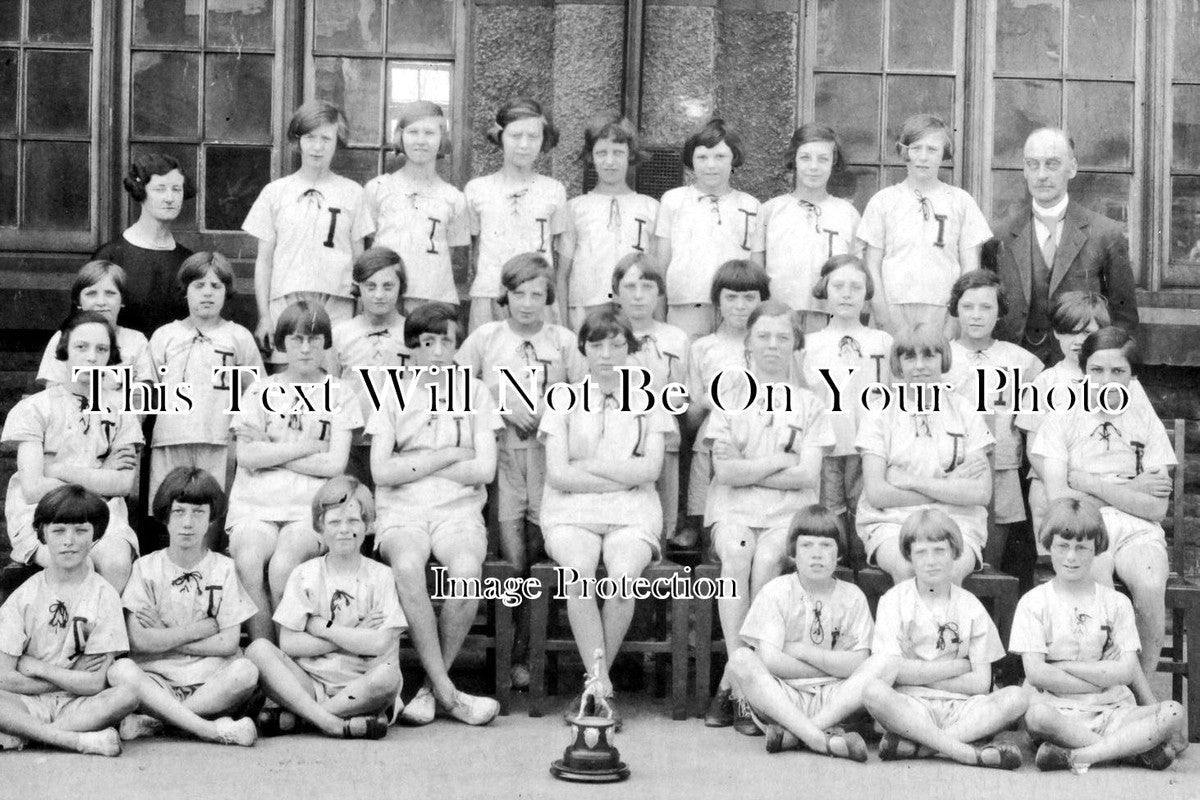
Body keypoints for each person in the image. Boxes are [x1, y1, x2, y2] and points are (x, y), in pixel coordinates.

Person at [368, 302, 502, 726]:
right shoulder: (391, 391)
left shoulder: (476, 392)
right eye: (430, 342)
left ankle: (430, 686)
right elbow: (381, 472)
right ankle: (449, 691)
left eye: (448, 341)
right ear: (413, 347)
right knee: (407, 566)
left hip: (458, 511)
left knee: (465, 573)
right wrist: (446, 454)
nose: (440, 351)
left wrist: (416, 461)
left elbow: (485, 469)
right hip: (403, 511)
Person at [703, 300, 835, 733]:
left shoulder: (810, 403)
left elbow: (808, 476)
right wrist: (779, 459)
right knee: (739, 555)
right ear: (749, 343)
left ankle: (735, 684)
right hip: (733, 513)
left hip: (786, 517)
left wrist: (751, 469)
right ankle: (744, 687)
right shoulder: (730, 398)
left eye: (782, 337)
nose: (773, 345)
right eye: (764, 336)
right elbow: (724, 472)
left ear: (795, 345)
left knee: (767, 560)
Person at [539, 309, 674, 728]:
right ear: (583, 349)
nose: (607, 353)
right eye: (597, 344)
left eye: (617, 344)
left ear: (630, 348)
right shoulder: (562, 397)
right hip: (569, 512)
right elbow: (557, 474)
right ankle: (600, 687)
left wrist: (590, 468)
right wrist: (619, 473)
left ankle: (594, 687)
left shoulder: (649, 395)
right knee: (578, 574)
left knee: (622, 578)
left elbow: (651, 470)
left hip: (632, 514)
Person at [456, 252, 580, 688]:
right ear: (505, 296)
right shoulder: (486, 338)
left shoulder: (563, 340)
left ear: (548, 297)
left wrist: (548, 411)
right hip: (503, 457)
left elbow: (585, 395)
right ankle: (505, 657)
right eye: (518, 293)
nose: (527, 303)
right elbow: (458, 389)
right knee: (513, 559)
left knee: (542, 554)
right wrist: (505, 408)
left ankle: (533, 655)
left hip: (549, 458)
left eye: (537, 294)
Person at [1029, 326, 1173, 699]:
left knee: (1149, 584)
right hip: (1084, 528)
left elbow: (1156, 505)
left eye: (1118, 372)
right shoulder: (1064, 417)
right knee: (1099, 583)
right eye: (1097, 370)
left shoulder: (1144, 419)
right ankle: (1107, 693)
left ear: (1133, 376)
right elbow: (1062, 501)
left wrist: (1091, 483)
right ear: (1084, 371)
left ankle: (1135, 688)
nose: (1107, 380)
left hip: (1139, 528)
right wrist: (1130, 489)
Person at [1012, 498, 1187, 772]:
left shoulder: (1116, 603)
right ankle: (1128, 751)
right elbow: (1036, 674)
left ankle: (1079, 755)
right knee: (1036, 716)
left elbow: (1127, 670)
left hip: (1113, 710)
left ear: (1097, 550)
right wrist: (1101, 673)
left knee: (1174, 712)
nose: (1071, 557)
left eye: (1081, 548)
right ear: (1049, 546)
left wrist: (1063, 666)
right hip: (1058, 710)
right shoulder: (1033, 603)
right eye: (1063, 546)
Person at [226, 302, 361, 641]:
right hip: (255, 505)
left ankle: (290, 658)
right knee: (247, 560)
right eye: (296, 339)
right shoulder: (260, 390)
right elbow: (245, 455)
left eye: (314, 339)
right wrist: (309, 446)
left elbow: (334, 465)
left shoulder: (341, 393)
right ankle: (266, 653)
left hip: (308, 508)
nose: (305, 348)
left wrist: (270, 451)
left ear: (326, 343)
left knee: (284, 565)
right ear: (282, 343)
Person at [859, 509, 1028, 769]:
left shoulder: (971, 606)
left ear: (954, 554)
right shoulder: (893, 601)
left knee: (1016, 697)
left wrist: (918, 672)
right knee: (873, 692)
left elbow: (981, 683)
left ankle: (926, 747)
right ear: (909, 557)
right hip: (911, 705)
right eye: (921, 553)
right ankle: (965, 752)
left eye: (939, 551)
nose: (931, 561)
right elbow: (892, 674)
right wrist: (957, 667)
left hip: (962, 709)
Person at [245, 476, 403, 739]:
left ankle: (307, 718)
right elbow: (289, 644)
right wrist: (353, 633)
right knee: (257, 650)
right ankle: (333, 720)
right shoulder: (304, 574)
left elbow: (379, 645)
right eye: (334, 522)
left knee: (389, 676)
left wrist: (323, 627)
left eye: (353, 521)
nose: (344, 529)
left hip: (362, 683)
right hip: (310, 682)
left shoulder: (381, 576)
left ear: (367, 526)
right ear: (319, 527)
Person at [112, 468, 259, 746]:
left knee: (247, 671)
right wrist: (200, 629)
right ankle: (206, 728)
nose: (188, 523)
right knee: (120, 672)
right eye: (179, 513)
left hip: (210, 678)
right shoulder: (145, 568)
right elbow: (139, 641)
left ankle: (160, 722)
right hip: (157, 678)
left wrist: (165, 635)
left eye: (198, 513)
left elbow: (227, 643)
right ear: (165, 517)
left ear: (211, 519)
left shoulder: (224, 569)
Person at [4, 310, 142, 591]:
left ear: (110, 356)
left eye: (101, 349)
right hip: (42, 515)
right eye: (82, 347)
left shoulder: (122, 413)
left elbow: (124, 483)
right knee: (76, 562)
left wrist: (58, 470)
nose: (91, 357)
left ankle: (100, 633)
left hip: (103, 516)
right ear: (65, 350)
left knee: (116, 561)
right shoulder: (35, 408)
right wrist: (101, 474)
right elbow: (32, 489)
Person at [0, 485, 139, 756]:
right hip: (26, 701)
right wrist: (72, 675)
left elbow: (94, 683)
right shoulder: (25, 596)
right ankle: (73, 740)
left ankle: (30, 734)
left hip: (79, 704)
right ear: (43, 534)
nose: (69, 540)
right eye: (59, 530)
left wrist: (38, 668)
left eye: (81, 530)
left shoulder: (104, 595)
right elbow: (4, 677)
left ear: (95, 535)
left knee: (127, 694)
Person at [729, 505, 875, 760]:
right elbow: (772, 662)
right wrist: (834, 665)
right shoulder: (776, 591)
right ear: (793, 553)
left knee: (884, 664)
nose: (817, 554)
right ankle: (820, 739)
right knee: (741, 659)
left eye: (826, 546)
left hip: (835, 698)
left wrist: (803, 651)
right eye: (807, 546)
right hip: (784, 696)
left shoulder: (853, 597)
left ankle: (797, 734)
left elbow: (860, 662)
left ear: (839, 553)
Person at [855, 324, 994, 585]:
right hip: (892, 522)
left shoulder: (964, 410)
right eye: (910, 357)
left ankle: (947, 627)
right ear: (898, 363)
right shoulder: (879, 412)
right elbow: (877, 493)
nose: (919, 365)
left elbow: (980, 493)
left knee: (946, 571)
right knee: (909, 569)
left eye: (929, 355)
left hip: (957, 522)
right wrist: (949, 487)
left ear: (943, 359)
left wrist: (912, 480)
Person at [992, 127, 1139, 365]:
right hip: (1015, 369)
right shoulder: (1000, 234)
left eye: (1052, 164)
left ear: (1072, 168)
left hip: (1080, 370)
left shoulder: (1105, 233)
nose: (1041, 175)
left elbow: (1124, 317)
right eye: (1033, 164)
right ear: (1024, 169)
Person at [243, 100, 374, 364]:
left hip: (337, 302)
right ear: (297, 141)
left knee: (330, 381)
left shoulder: (353, 192)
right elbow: (264, 261)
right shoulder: (275, 192)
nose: (317, 146)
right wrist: (265, 315)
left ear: (338, 142)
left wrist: (362, 312)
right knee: (287, 380)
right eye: (310, 137)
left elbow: (361, 262)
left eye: (326, 138)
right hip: (287, 299)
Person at [943, 269, 1042, 569]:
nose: (976, 315)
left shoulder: (1021, 361)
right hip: (951, 468)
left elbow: (1039, 417)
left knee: (990, 565)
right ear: (955, 309)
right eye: (968, 307)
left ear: (1000, 313)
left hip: (1001, 469)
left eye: (986, 307)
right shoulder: (941, 357)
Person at [858, 114, 992, 335]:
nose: (923, 157)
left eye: (932, 149)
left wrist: (954, 321)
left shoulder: (960, 201)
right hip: (892, 308)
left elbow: (970, 268)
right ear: (905, 151)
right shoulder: (884, 200)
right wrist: (883, 316)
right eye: (916, 148)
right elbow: (872, 264)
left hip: (943, 308)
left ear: (944, 154)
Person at [147, 252, 263, 504]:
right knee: (170, 507)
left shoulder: (238, 337)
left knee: (213, 508)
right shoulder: (165, 336)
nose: (207, 293)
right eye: (199, 285)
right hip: (171, 437)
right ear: (185, 291)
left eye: (215, 286)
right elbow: (145, 392)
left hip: (219, 439)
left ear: (226, 291)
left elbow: (257, 393)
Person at [802, 255, 892, 560]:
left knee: (865, 515)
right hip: (826, 446)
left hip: (870, 448)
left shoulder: (882, 341)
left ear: (867, 294)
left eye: (856, 286)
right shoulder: (809, 344)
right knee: (829, 516)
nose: (847, 293)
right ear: (824, 290)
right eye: (838, 286)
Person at [678, 259, 769, 550]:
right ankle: (698, 526)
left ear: (762, 300)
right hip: (712, 444)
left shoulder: (770, 344)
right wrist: (708, 400)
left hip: (758, 444)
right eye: (731, 297)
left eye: (749, 298)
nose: (740, 306)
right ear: (717, 300)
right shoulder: (702, 348)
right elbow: (691, 420)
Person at [652, 118, 763, 339]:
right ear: (691, 160)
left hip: (736, 308)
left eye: (720, 157)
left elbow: (757, 268)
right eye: (702, 157)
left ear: (734, 159)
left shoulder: (751, 205)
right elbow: (661, 263)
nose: (711, 165)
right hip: (687, 305)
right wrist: (659, 311)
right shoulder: (673, 201)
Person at [464, 98, 568, 331]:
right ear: (500, 136)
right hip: (490, 294)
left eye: (533, 137)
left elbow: (556, 251)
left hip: (537, 297)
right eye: (515, 136)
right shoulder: (476, 189)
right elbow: (475, 248)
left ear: (543, 140)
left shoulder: (554, 190)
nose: (524, 145)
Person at [364, 101, 469, 312]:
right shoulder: (378, 188)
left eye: (429, 133)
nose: (421, 141)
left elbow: (456, 255)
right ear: (401, 136)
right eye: (413, 132)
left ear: (442, 139)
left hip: (433, 299)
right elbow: (366, 247)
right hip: (385, 299)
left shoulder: (454, 198)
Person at [557, 113, 659, 329]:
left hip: (635, 311)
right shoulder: (575, 208)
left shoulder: (649, 207)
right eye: (601, 153)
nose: (610, 161)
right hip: (586, 310)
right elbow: (562, 275)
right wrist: (564, 326)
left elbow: (657, 273)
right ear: (590, 156)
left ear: (630, 155)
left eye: (618, 153)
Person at [613, 253, 688, 541]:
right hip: (620, 438)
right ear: (617, 292)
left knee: (664, 514)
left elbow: (682, 392)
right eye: (630, 288)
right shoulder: (608, 335)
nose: (638, 296)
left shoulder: (676, 338)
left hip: (664, 434)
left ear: (660, 293)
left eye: (647, 288)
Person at [758, 124, 861, 332]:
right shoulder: (771, 210)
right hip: (780, 317)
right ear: (793, 159)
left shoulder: (847, 214)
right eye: (805, 158)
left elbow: (857, 272)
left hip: (831, 319)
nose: (813, 167)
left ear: (834, 161)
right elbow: (757, 270)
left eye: (823, 159)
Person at [327, 247, 410, 488]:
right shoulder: (341, 334)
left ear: (400, 287)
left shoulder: (413, 333)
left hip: (399, 442)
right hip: (352, 441)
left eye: (387, 286)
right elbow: (331, 389)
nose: (379, 295)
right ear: (358, 288)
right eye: (370, 286)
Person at [94, 152, 195, 334]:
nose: (169, 198)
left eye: (176, 189)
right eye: (160, 189)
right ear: (141, 191)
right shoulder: (111, 256)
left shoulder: (188, 260)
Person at [36, 261, 153, 390]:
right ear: (79, 301)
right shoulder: (64, 337)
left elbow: (144, 392)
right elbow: (54, 391)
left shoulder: (136, 340)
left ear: (122, 300)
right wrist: (104, 385)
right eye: (91, 294)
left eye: (110, 293)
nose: (101, 302)